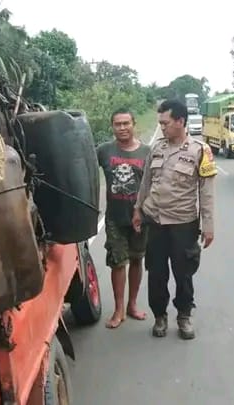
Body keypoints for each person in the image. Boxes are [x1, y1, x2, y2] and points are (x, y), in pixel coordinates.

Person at [132, 99, 217, 340]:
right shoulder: (156, 149)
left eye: (165, 123)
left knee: (183, 273)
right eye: (159, 123)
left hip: (183, 223)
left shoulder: (200, 150)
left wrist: (208, 227)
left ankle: (184, 315)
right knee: (156, 273)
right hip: (155, 221)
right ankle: (160, 315)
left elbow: (206, 192)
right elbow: (146, 183)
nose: (162, 128)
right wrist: (138, 209)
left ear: (180, 121)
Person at [96, 108, 152, 329]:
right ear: (112, 127)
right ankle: (119, 310)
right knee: (118, 263)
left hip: (141, 218)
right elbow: (85, 168)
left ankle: (132, 305)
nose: (122, 128)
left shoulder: (147, 152)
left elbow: (153, 184)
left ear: (134, 124)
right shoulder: (104, 151)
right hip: (114, 218)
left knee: (137, 259)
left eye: (126, 123)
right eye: (117, 124)